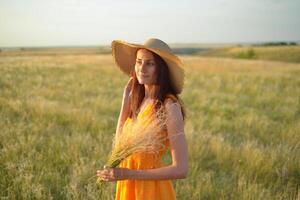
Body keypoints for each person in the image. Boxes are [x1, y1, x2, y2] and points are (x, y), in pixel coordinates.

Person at [97, 38, 188, 200]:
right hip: (127, 186)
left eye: (150, 64)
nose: (142, 69)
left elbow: (181, 169)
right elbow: (120, 146)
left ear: (161, 69)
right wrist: (125, 103)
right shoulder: (138, 100)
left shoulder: (169, 106)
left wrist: (128, 173)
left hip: (150, 191)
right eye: (139, 62)